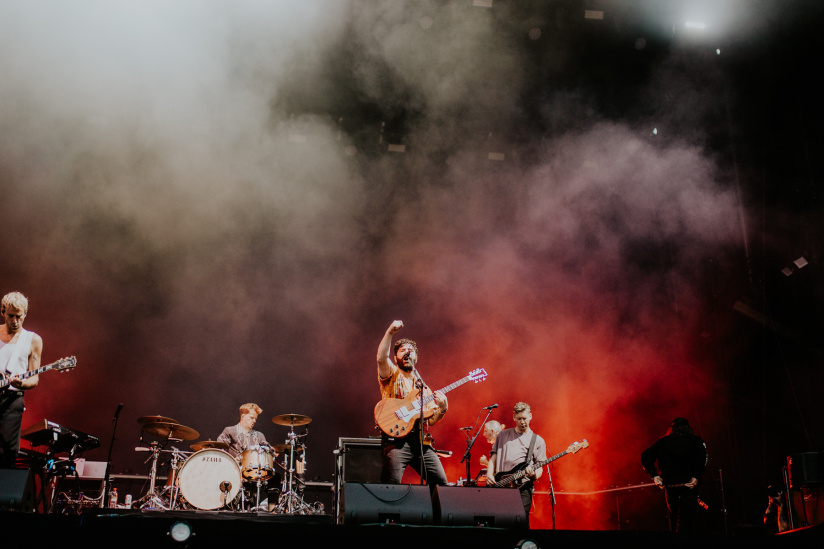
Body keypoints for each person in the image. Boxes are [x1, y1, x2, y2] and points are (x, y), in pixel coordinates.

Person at [376, 320, 449, 485]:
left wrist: (442, 410)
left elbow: (431, 420)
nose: (407, 353)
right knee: (391, 485)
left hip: (421, 442)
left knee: (441, 485)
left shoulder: (424, 388)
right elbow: (381, 358)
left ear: (416, 357)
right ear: (395, 357)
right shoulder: (392, 374)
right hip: (396, 440)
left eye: (410, 351)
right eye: (402, 351)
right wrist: (390, 332)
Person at [641, 417, 708, 533]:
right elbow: (703, 459)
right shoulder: (696, 441)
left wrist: (654, 475)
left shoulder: (663, 442)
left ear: (671, 429)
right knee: (686, 522)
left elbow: (645, 456)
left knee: (675, 521)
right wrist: (696, 476)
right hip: (688, 486)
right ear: (689, 428)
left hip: (670, 487)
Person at [0, 292, 43, 468]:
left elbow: (34, 378)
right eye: (11, 316)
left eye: (19, 316)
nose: (15, 321)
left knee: (6, 453)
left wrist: (22, 383)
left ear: (25, 314)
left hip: (12, 399)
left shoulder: (33, 340)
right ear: (3, 311)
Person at [487, 402, 547, 522]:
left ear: (530, 416)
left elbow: (540, 467)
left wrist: (534, 475)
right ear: (514, 417)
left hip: (523, 487)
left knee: (520, 521)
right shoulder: (503, 435)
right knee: (498, 521)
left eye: (524, 418)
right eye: (519, 419)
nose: (522, 422)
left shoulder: (537, 440)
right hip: (501, 485)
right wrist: (489, 475)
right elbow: (493, 459)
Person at [218, 403, 275, 510]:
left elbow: (268, 449)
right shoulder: (229, 431)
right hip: (233, 470)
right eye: (251, 418)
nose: (254, 421)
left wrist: (271, 451)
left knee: (275, 476)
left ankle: (271, 510)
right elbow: (220, 451)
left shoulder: (259, 435)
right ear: (243, 416)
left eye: (255, 419)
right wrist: (234, 460)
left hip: (253, 471)